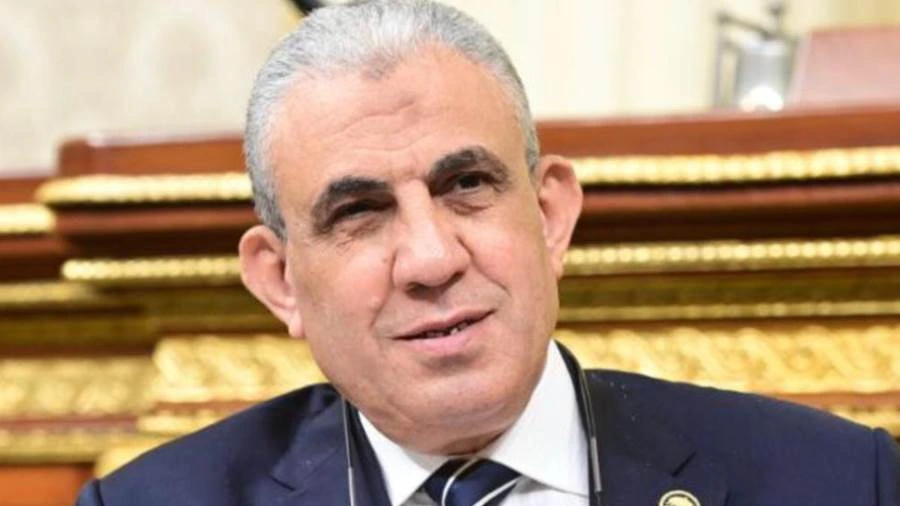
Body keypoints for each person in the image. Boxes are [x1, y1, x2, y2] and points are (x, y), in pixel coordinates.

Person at [76, 1, 899, 505]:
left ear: (550, 215)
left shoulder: (836, 482)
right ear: (281, 280)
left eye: (467, 184)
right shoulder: (153, 503)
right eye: (359, 213)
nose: (432, 259)